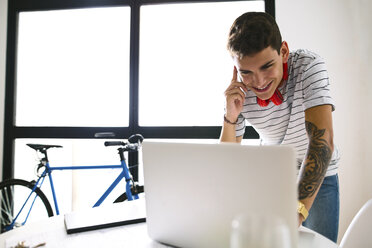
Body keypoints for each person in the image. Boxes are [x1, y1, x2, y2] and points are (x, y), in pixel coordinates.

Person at [220, 12, 340, 243]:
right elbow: (226, 162)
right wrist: (230, 116)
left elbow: (322, 141)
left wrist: (297, 211)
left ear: (283, 52)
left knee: (321, 245)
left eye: (267, 66)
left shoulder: (308, 66)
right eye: (246, 72)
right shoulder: (238, 92)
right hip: (274, 177)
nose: (259, 81)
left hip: (319, 177)